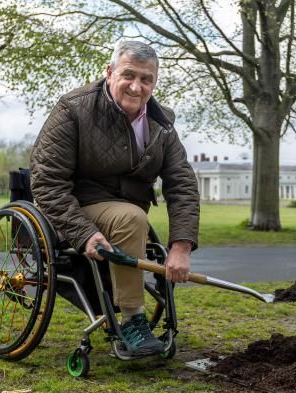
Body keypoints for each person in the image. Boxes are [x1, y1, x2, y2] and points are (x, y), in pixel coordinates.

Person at [30, 41, 199, 356]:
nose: (136, 86)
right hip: (74, 205)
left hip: (126, 212)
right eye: (128, 75)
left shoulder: (162, 123)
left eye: (146, 79)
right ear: (109, 73)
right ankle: (134, 320)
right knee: (131, 218)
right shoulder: (74, 108)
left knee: (131, 218)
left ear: (155, 82)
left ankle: (136, 317)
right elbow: (46, 180)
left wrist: (182, 245)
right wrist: (82, 232)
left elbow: (182, 182)